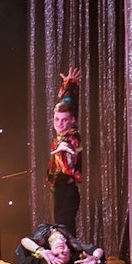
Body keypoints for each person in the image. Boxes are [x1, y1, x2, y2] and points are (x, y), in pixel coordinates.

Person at [48, 67, 82, 234]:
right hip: (57, 191)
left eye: (64, 121)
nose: (60, 124)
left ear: (72, 121)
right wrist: (69, 83)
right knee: (61, 233)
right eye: (56, 120)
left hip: (68, 192)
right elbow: (67, 103)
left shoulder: (72, 137)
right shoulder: (60, 132)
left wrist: (65, 151)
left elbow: (70, 161)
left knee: (64, 232)